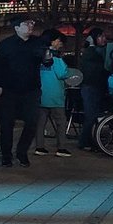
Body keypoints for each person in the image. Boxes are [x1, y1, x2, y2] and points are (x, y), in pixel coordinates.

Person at [0, 15, 44, 167]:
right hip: (9, 90)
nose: (30, 26)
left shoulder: (37, 43)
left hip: (31, 90)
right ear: (17, 27)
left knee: (32, 122)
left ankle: (22, 152)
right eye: (26, 23)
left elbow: (45, 59)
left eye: (31, 22)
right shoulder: (6, 45)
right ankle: (6, 155)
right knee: (7, 124)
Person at [34, 29, 71, 157]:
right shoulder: (55, 57)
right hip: (55, 95)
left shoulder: (38, 55)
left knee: (40, 123)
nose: (60, 43)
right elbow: (62, 73)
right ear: (53, 41)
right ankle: (61, 148)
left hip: (41, 94)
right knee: (61, 123)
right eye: (58, 40)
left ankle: (39, 147)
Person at [78, 28, 110, 151]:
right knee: (91, 115)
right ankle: (85, 141)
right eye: (100, 36)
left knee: (95, 115)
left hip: (95, 87)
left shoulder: (97, 51)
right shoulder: (91, 52)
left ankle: (91, 140)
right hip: (91, 87)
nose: (104, 39)